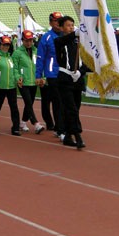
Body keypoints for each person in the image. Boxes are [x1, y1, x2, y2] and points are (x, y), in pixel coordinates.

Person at [54, 16, 87, 149]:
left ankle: (68, 135)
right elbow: (63, 40)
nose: (71, 27)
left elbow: (86, 62)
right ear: (61, 28)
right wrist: (76, 33)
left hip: (77, 80)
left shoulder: (79, 42)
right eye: (68, 25)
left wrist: (80, 72)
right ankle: (77, 136)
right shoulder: (59, 41)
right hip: (65, 79)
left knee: (75, 108)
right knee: (71, 108)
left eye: (72, 25)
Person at [35, 12, 65, 141]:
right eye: (55, 21)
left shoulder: (67, 35)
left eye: (60, 21)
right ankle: (60, 129)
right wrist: (39, 75)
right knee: (57, 101)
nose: (58, 23)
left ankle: (61, 127)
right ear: (50, 23)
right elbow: (40, 57)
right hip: (52, 74)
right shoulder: (46, 38)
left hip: (66, 74)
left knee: (66, 102)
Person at [0, 35, 21, 136]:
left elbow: (15, 71)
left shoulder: (10, 58)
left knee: (14, 108)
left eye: (7, 45)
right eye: (3, 45)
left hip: (11, 87)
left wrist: (17, 78)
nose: (5, 47)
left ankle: (15, 128)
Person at [12, 30, 45, 134]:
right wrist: (18, 77)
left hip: (34, 82)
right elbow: (14, 68)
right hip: (23, 82)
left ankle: (22, 122)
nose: (29, 43)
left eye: (30, 40)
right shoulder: (17, 53)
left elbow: (40, 66)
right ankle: (36, 123)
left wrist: (42, 78)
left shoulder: (36, 51)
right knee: (28, 102)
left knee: (29, 103)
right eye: (26, 40)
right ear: (22, 40)